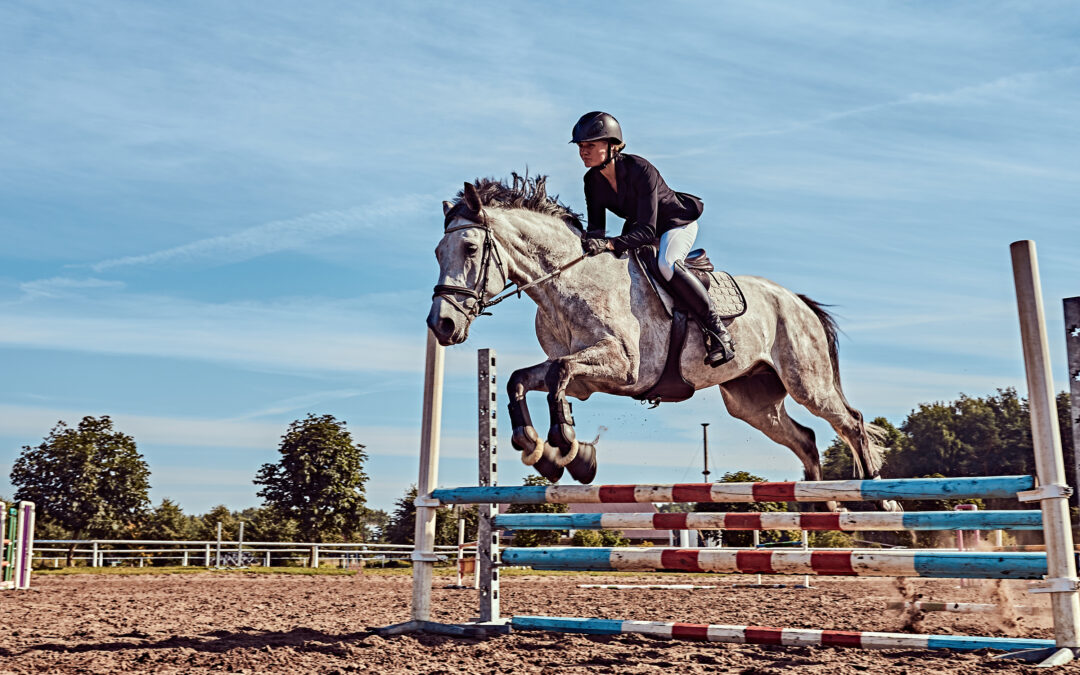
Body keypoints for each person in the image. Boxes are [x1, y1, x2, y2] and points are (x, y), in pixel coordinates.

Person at [572, 110, 735, 367]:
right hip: (639, 230)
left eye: (590, 145)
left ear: (612, 146)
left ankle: (719, 334)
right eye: (581, 146)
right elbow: (596, 232)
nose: (583, 151)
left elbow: (648, 232)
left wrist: (612, 244)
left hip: (674, 224)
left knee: (666, 264)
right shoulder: (591, 181)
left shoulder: (640, 169)